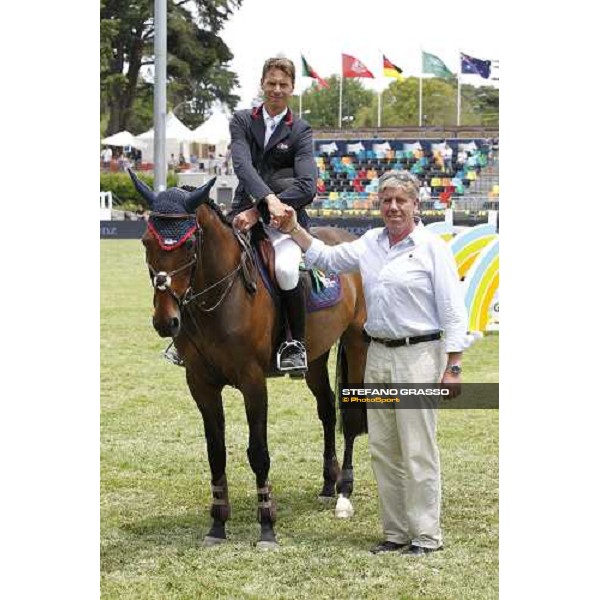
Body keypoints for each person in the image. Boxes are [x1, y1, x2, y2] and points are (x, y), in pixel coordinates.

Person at [278, 170, 470, 555]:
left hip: (419, 355)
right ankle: (396, 532)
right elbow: (324, 258)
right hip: (378, 354)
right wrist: (295, 228)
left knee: (417, 448)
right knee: (382, 447)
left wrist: (453, 365)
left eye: (401, 200)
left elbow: (452, 310)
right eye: (387, 201)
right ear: (378, 205)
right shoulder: (369, 243)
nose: (393, 207)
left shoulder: (432, 247)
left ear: (416, 205)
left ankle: (426, 536)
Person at [228, 56, 317, 373]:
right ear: (262, 84)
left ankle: (295, 344)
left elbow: (307, 187)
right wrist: (265, 199)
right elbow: (243, 166)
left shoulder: (301, 130)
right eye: (271, 83)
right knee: (206, 257)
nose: (276, 89)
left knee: (287, 271)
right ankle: (191, 337)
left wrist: (260, 210)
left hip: (285, 222)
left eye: (283, 84)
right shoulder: (241, 120)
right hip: (243, 212)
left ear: (292, 87)